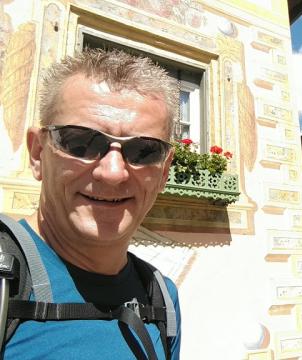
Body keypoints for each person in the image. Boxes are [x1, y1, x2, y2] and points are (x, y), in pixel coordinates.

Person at [2, 49, 181, 359]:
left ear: (164, 172)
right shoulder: (7, 282)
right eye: (81, 142)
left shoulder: (162, 298)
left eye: (144, 151)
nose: (113, 173)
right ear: (37, 154)